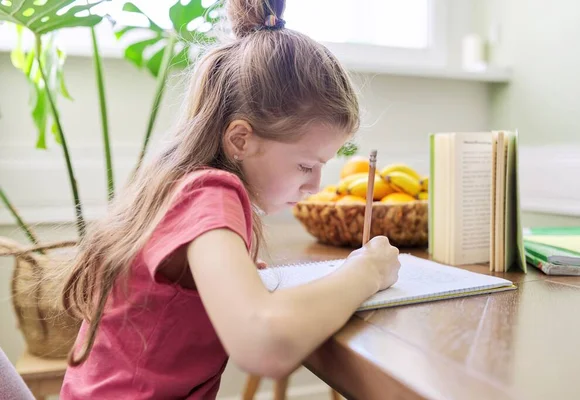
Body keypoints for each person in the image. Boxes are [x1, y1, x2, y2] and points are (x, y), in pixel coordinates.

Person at [59, 0, 401, 398]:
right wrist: (368, 271)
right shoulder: (208, 194)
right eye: (306, 166)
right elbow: (264, 343)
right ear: (241, 139)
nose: (315, 185)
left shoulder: (179, 182)